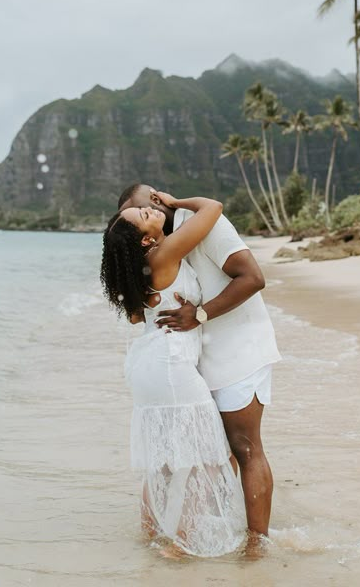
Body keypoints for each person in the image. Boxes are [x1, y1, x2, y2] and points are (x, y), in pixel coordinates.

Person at [118, 184, 282, 554]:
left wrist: (201, 314)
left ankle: (257, 545)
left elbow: (253, 278)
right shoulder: (162, 246)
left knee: (243, 447)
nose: (153, 207)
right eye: (139, 213)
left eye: (147, 206)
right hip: (193, 358)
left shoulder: (206, 226)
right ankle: (190, 534)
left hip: (239, 347)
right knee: (203, 454)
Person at [100, 193, 246, 557]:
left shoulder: (139, 268)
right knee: (210, 456)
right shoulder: (163, 254)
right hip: (170, 364)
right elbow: (213, 207)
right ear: (147, 239)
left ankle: (151, 532)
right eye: (147, 214)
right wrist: (177, 200)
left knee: (164, 460)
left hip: (148, 364)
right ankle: (181, 542)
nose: (155, 210)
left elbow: (137, 317)